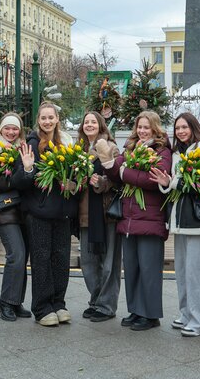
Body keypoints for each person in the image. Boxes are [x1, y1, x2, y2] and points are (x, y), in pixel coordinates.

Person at [96, 110, 172, 332]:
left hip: (150, 218)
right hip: (128, 218)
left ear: (155, 129)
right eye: (139, 127)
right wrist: (110, 165)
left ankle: (151, 315)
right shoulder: (131, 148)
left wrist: (122, 172)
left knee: (149, 269)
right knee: (132, 268)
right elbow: (114, 170)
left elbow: (153, 178)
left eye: (146, 127)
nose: (142, 131)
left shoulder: (163, 151)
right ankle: (136, 310)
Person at [12, 102, 79, 327]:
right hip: (39, 212)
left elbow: (76, 177)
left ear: (57, 119)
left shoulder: (66, 143)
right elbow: (18, 181)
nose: (47, 121)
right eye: (43, 118)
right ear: (38, 120)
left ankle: (58, 303)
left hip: (62, 213)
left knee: (61, 259)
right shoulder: (31, 144)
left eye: (51, 117)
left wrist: (74, 182)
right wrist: (29, 168)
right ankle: (42, 307)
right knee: (41, 259)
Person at [149, 113, 200, 337]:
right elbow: (173, 184)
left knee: (197, 273)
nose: (181, 131)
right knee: (183, 272)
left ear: (193, 127)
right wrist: (166, 184)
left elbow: (199, 183)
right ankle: (186, 314)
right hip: (179, 219)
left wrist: (171, 182)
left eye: (185, 127)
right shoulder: (178, 153)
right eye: (177, 128)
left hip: (197, 221)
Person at [0, 113, 32, 322]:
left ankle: (16, 301)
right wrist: (17, 178)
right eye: (7, 128)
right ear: (0, 129)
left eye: (15, 129)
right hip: (3, 208)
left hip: (23, 208)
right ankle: (5, 302)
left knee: (24, 255)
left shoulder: (24, 148)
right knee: (16, 253)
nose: (11, 132)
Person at [76, 111, 121, 324]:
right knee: (87, 261)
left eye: (93, 122)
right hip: (85, 213)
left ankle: (106, 305)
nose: (90, 125)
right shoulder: (78, 150)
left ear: (101, 125)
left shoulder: (110, 147)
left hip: (105, 213)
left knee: (109, 262)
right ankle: (95, 300)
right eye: (86, 122)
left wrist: (102, 182)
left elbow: (117, 177)